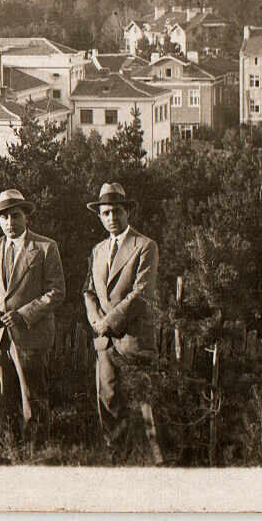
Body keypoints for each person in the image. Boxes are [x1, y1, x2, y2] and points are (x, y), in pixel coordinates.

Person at [0, 189, 65, 441]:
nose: (9, 222)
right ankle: (10, 452)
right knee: (6, 401)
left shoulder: (45, 247)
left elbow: (57, 291)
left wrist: (24, 315)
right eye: (4, 217)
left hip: (31, 337)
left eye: (15, 216)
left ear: (26, 217)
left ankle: (38, 454)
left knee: (33, 399)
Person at [82, 182, 161, 460]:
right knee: (109, 402)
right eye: (106, 213)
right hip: (104, 342)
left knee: (144, 405)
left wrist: (110, 322)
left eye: (117, 211)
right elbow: (88, 290)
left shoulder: (145, 246)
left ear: (127, 212)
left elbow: (141, 294)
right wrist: (97, 323)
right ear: (100, 217)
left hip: (134, 340)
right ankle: (117, 458)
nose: (112, 218)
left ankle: (157, 461)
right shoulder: (98, 250)